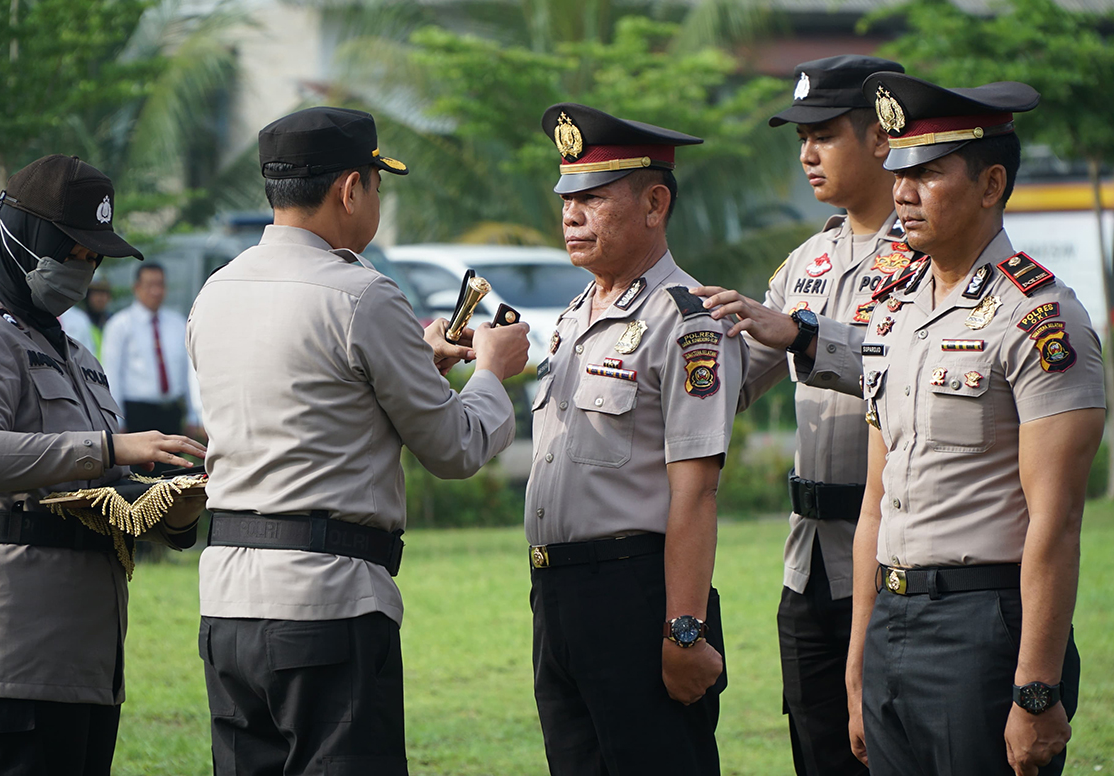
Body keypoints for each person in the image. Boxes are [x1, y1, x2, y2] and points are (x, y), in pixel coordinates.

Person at [186, 107, 530, 776]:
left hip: (227, 603)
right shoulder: (361, 295)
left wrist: (412, 369)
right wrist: (492, 371)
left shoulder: (215, 292)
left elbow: (308, 406)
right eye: (376, 184)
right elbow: (456, 447)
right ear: (350, 189)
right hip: (326, 601)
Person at [846, 73, 1106, 775]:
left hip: (984, 632)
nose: (902, 192)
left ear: (991, 186)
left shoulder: (1039, 316)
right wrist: (858, 658)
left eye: (927, 173)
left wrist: (1036, 688)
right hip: (892, 625)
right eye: (898, 171)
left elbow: (1057, 522)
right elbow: (876, 498)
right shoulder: (895, 311)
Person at [0, 154, 207, 776]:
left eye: (94, 258)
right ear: (22, 241)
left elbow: (100, 487)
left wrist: (173, 511)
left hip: (83, 663)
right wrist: (112, 449)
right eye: (72, 252)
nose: (84, 269)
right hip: (10, 654)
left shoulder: (80, 357)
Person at [690, 54, 905, 776]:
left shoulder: (925, 253)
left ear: (881, 137)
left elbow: (904, 366)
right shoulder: (804, 262)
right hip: (807, 563)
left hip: (892, 557)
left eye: (825, 133)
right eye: (800, 137)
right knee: (818, 750)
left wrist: (807, 336)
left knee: (892, 746)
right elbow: (734, 382)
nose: (807, 153)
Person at [525, 103, 746, 775]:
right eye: (568, 197)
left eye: (592, 197)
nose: (571, 214)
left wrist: (684, 629)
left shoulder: (686, 323)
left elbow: (696, 489)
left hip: (635, 594)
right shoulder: (572, 318)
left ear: (654, 203)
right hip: (557, 596)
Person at [101, 262, 201, 440]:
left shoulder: (177, 323)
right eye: (150, 285)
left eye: (160, 285)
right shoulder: (120, 324)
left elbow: (188, 372)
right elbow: (112, 374)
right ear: (137, 287)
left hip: (171, 412)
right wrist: (117, 421)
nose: (156, 291)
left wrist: (193, 415)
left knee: (172, 465)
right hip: (137, 412)